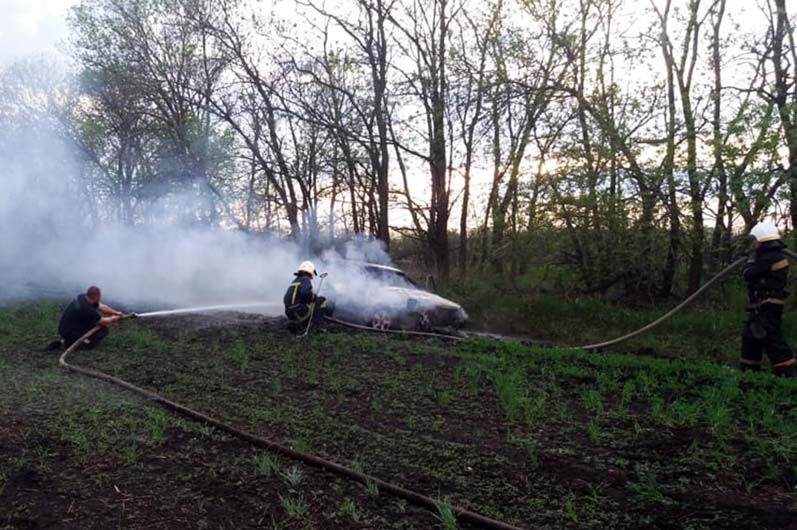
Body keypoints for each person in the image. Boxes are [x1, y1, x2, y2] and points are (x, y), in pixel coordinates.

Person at [740, 222, 796, 377]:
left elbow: (748, 275)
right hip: (761, 306)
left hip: (767, 306)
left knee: (772, 340)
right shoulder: (769, 256)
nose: (753, 244)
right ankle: (749, 375)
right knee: (751, 339)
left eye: (755, 240)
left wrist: (749, 262)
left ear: (761, 239)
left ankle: (788, 376)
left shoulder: (770, 257)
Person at [47, 286, 126, 351]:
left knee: (95, 326)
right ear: (95, 297)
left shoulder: (83, 297)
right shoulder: (86, 308)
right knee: (102, 330)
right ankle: (81, 345)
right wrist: (114, 318)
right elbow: (102, 321)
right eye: (99, 296)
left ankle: (70, 341)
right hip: (68, 331)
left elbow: (102, 307)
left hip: (70, 325)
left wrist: (116, 312)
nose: (100, 298)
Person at [283, 261, 333, 333]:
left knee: (312, 304)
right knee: (322, 300)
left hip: (290, 314)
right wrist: (314, 297)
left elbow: (286, 299)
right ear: (310, 270)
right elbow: (305, 294)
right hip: (299, 312)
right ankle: (318, 326)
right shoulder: (305, 279)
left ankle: (304, 324)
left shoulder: (295, 281)